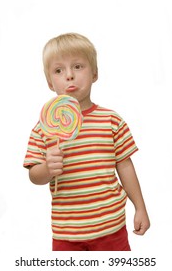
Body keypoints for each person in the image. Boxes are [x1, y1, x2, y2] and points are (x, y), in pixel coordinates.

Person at [23, 33, 150, 251]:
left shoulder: (111, 121)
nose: (69, 76)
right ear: (49, 82)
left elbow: (125, 166)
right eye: (59, 70)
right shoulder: (44, 127)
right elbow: (34, 175)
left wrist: (140, 207)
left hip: (111, 227)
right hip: (66, 233)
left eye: (78, 66)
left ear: (94, 74)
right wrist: (47, 168)